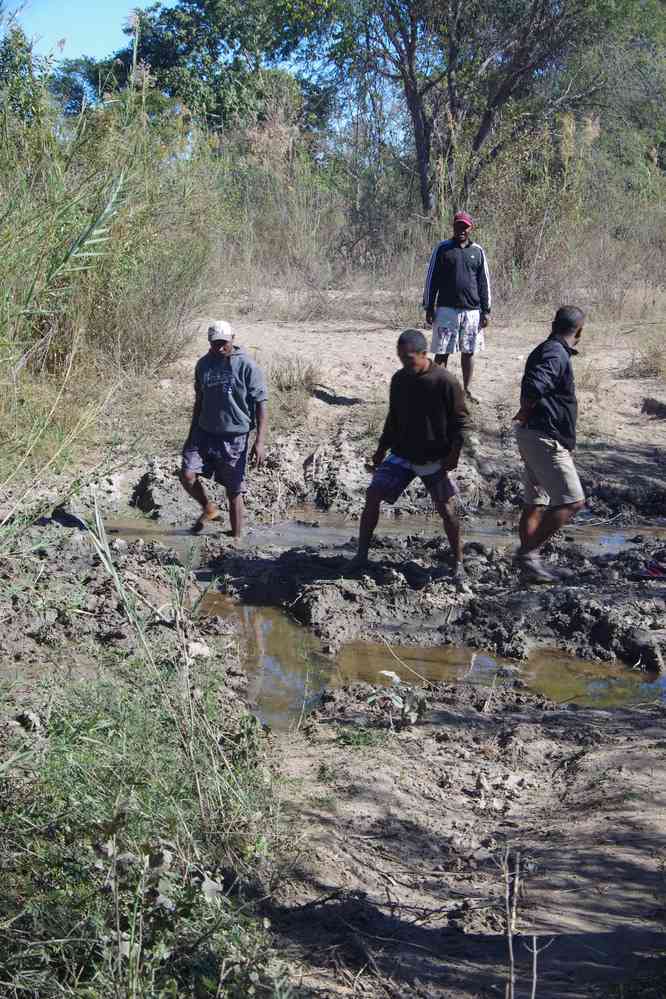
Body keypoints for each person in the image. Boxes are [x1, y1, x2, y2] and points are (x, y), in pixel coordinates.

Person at [350, 329, 470, 581]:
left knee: (447, 510)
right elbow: (392, 419)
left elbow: (461, 422)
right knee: (373, 494)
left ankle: (458, 562)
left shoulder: (445, 381)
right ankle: (361, 555)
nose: (405, 364)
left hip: (432, 457)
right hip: (402, 453)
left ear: (425, 354)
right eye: (401, 358)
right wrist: (380, 451)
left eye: (409, 359)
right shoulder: (399, 379)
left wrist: (453, 454)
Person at [512, 306, 586, 583]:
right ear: (579, 330)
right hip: (543, 437)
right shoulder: (555, 352)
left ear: (554, 324)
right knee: (572, 501)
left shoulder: (550, 349)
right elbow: (535, 385)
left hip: (536, 434)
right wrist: (528, 409)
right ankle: (528, 555)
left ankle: (529, 568)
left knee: (536, 502)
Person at [181, 321, 268, 536]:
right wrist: (191, 433)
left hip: (235, 436)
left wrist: (259, 441)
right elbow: (199, 401)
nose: (219, 348)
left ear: (233, 339)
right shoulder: (203, 365)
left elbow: (261, 403)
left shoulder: (247, 366)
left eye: (223, 343)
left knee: (234, 489)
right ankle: (208, 508)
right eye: (214, 344)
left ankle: (237, 538)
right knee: (187, 474)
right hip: (204, 432)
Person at [422, 210, 491, 405]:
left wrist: (486, 311)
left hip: (471, 312)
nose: (461, 230)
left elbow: (484, 283)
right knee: (442, 352)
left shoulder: (478, 251)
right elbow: (431, 279)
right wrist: (429, 306)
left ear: (471, 228)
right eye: (458, 226)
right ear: (453, 226)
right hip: (446, 310)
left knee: (468, 352)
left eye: (465, 226)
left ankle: (467, 390)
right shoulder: (442, 249)